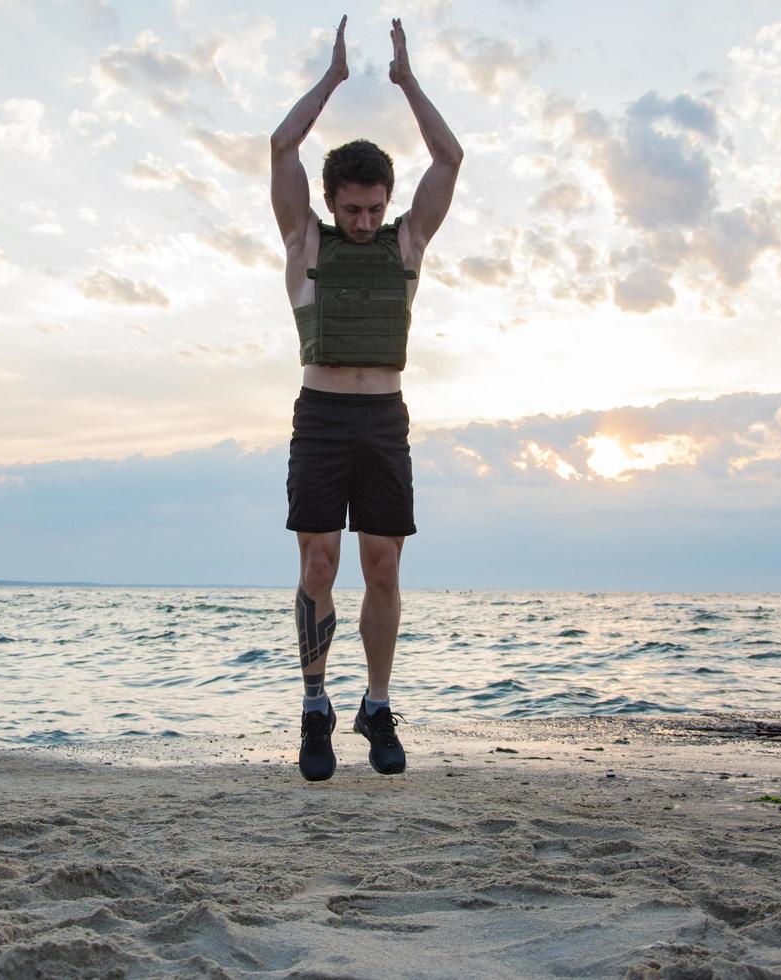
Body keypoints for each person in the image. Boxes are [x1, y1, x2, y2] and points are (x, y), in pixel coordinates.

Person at [269, 15, 462, 781]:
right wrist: (335, 79)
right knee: (318, 565)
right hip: (320, 417)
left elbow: (450, 156)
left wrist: (409, 83)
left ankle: (376, 704)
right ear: (331, 202)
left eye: (374, 208)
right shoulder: (304, 244)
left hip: (384, 418)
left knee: (383, 566)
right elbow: (281, 148)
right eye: (352, 208)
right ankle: (315, 704)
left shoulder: (407, 244)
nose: (364, 221)